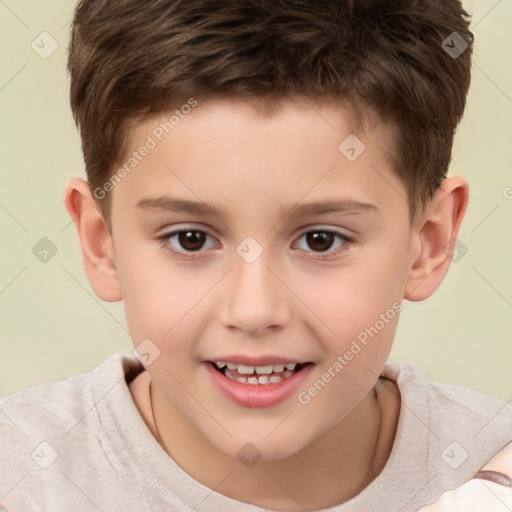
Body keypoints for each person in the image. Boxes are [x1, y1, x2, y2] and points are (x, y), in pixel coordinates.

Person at [1, 0, 511, 511]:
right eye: (190, 239)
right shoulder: (20, 474)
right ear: (100, 242)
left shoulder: (490, 468)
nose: (253, 310)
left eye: (321, 240)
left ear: (429, 241)